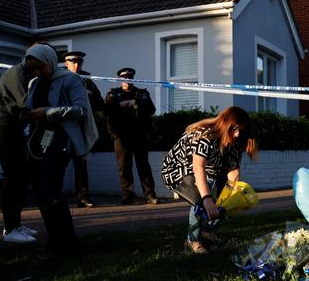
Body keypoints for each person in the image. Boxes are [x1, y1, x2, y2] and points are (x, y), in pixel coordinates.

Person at [23, 44, 98, 257]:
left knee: (51, 189)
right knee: (40, 191)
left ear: (49, 62)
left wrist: (49, 112)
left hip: (60, 139)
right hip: (37, 140)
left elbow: (81, 109)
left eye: (41, 67)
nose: (38, 72)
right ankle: (55, 239)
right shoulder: (34, 83)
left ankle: (67, 241)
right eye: (33, 69)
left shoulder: (71, 79)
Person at [161, 106, 258, 254]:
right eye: (235, 129)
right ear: (226, 123)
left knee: (225, 201)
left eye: (241, 131)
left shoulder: (233, 140)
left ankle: (206, 230)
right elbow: (198, 167)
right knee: (201, 200)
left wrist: (232, 195)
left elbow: (233, 171)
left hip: (209, 172)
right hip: (178, 170)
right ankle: (192, 240)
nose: (237, 134)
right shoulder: (204, 135)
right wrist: (207, 198)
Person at [0, 55, 38, 243]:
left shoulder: (27, 72)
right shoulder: (17, 73)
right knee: (13, 177)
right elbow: (25, 103)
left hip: (11, 130)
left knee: (21, 178)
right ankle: (10, 229)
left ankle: (15, 224)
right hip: (2, 130)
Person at [104, 67, 159, 205]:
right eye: (124, 79)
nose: (127, 81)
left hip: (139, 134)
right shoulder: (113, 94)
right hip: (121, 135)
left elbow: (151, 110)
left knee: (143, 165)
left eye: (129, 78)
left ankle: (150, 195)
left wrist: (135, 103)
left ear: (133, 79)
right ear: (120, 80)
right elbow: (107, 112)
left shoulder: (142, 94)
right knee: (124, 167)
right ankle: (127, 195)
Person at [63, 51, 104, 208]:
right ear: (66, 63)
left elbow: (99, 103)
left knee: (81, 163)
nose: (76, 65)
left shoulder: (87, 81)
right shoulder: (60, 78)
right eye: (73, 62)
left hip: (80, 128)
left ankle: (83, 197)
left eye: (79, 62)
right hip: (64, 127)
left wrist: (89, 96)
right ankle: (54, 197)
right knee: (59, 162)